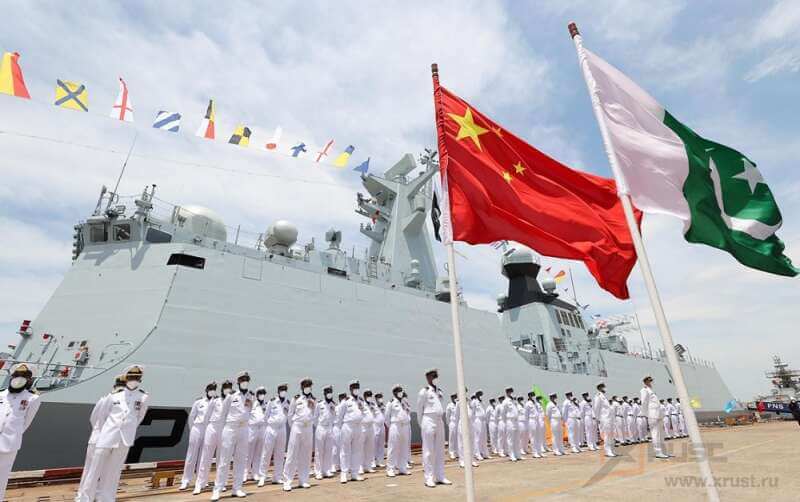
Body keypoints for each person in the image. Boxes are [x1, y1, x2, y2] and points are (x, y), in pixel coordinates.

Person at [81, 365, 148, 502]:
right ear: (126, 378)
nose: (134, 380)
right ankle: (85, 498)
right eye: (131, 377)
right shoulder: (113, 396)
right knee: (94, 470)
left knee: (114, 471)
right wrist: (107, 431)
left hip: (125, 439)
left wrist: (128, 429)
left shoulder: (143, 397)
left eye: (136, 377)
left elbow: (139, 417)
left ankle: (106, 498)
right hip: (107, 437)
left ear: (140, 379)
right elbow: (102, 417)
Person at [76, 375, 124, 501]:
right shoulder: (105, 399)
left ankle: (96, 495)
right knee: (90, 470)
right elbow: (94, 418)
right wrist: (101, 433)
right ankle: (82, 495)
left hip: (108, 440)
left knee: (103, 470)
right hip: (98, 439)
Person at [0, 363, 41, 502]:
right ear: (12, 377)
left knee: (1, 477)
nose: (19, 378)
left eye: (24, 376)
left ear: (29, 379)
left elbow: (26, 423)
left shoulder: (32, 399)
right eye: (17, 375)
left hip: (9, 443)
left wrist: (13, 434)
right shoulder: (1, 394)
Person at [211, 371, 253, 500]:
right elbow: (223, 415)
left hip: (244, 429)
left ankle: (237, 488)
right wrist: (223, 431)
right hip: (230, 429)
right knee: (224, 460)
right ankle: (217, 489)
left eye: (247, 379)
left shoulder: (251, 396)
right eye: (243, 379)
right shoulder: (231, 395)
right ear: (238, 382)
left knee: (241, 460)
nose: (245, 382)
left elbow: (249, 412)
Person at [416, 368, 450, 488]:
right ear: (428, 378)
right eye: (433, 376)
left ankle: (440, 476)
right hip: (428, 420)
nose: (435, 378)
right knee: (428, 451)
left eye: (436, 376)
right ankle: (429, 478)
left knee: (440, 449)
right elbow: (419, 409)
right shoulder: (424, 392)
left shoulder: (439, 391)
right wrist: (422, 424)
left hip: (439, 420)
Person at [194, 380, 230, 494]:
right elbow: (207, 416)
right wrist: (206, 430)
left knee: (222, 458)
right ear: (222, 389)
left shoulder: (232, 401)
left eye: (229, 387)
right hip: (212, 427)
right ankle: (200, 483)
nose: (227, 389)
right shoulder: (215, 400)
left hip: (224, 429)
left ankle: (221, 483)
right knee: (206, 456)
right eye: (226, 387)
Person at [282, 377, 316, 492]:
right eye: (305, 385)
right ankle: (287, 481)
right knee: (292, 455)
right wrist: (295, 427)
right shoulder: (296, 399)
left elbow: (315, 415)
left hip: (308, 428)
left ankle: (303, 480)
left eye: (309, 385)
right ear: (302, 387)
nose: (308, 387)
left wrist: (309, 423)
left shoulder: (314, 400)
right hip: (297, 427)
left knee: (306, 455)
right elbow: (290, 415)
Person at [179, 382, 214, 490]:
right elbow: (191, 417)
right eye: (210, 389)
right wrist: (193, 430)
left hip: (208, 429)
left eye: (213, 389)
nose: (212, 391)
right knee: (191, 456)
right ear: (206, 390)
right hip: (197, 428)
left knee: (204, 456)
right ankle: (186, 480)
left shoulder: (215, 402)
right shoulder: (199, 402)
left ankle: (202, 480)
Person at [257, 383, 289, 486]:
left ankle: (277, 477)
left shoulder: (287, 402)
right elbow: (265, 416)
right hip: (271, 428)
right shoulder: (272, 401)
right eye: (282, 390)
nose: (283, 391)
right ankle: (262, 476)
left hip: (282, 429)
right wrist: (270, 427)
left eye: (285, 390)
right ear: (278, 391)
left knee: (280, 454)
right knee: (266, 453)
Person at [338, 380, 365, 483]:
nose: (356, 389)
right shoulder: (346, 401)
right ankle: (344, 474)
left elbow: (362, 413)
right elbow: (340, 416)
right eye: (354, 387)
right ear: (350, 389)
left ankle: (355, 473)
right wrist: (341, 428)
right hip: (348, 427)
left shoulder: (361, 400)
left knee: (357, 451)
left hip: (358, 427)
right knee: (345, 451)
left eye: (357, 387)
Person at [385, 384, 411, 477]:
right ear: (394, 392)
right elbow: (386, 417)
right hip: (395, 426)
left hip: (405, 426)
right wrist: (392, 426)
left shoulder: (404, 402)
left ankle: (402, 467)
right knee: (393, 448)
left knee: (404, 447)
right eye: (398, 390)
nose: (401, 392)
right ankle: (390, 469)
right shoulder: (391, 402)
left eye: (401, 390)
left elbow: (408, 412)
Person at [640, 375, 669, 459]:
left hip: (658, 414)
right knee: (655, 433)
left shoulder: (651, 390)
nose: (652, 382)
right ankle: (658, 452)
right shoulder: (644, 390)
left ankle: (664, 451)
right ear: (646, 382)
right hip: (652, 414)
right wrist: (647, 414)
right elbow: (644, 403)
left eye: (652, 380)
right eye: (650, 381)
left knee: (661, 434)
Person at [244, 386, 267, 483]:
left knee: (258, 452)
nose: (262, 395)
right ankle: (245, 473)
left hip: (262, 429)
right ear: (257, 395)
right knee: (248, 452)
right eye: (260, 393)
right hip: (252, 429)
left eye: (263, 393)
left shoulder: (266, 404)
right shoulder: (252, 403)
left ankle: (255, 473)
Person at [314, 385, 336, 480]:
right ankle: (318, 471)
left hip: (329, 428)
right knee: (319, 451)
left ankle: (326, 470)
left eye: (330, 392)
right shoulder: (319, 404)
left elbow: (335, 416)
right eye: (327, 392)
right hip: (321, 428)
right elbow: (315, 418)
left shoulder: (333, 405)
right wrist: (319, 426)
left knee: (328, 450)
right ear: (324, 393)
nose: (329, 394)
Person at [592, 382, 616, 457]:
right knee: (607, 435)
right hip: (604, 418)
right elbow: (596, 408)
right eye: (603, 387)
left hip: (610, 418)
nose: (605, 388)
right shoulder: (598, 396)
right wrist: (599, 418)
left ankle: (612, 449)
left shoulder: (604, 396)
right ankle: (608, 451)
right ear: (599, 388)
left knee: (611, 434)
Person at [361, 389, 377, 474]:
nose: (369, 397)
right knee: (361, 447)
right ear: (364, 396)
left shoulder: (373, 404)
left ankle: (368, 466)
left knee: (369, 448)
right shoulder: (361, 404)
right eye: (367, 395)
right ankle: (360, 466)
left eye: (370, 395)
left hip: (371, 427)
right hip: (363, 427)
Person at [501, 387, 520, 461]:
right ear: (507, 393)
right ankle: (511, 455)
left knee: (516, 438)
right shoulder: (505, 402)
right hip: (510, 421)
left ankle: (517, 454)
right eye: (509, 392)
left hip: (516, 421)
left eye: (511, 392)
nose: (511, 393)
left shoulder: (513, 401)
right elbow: (503, 413)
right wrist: (506, 421)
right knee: (510, 439)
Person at [331, 392, 347, 473]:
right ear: (340, 398)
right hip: (337, 428)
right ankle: (334, 465)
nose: (344, 399)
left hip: (343, 428)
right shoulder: (337, 407)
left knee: (343, 447)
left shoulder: (344, 406)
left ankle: (341, 465)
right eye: (343, 397)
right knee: (335, 448)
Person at [471, 390, 489, 460]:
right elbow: (472, 413)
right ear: (476, 395)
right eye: (479, 394)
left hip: (483, 420)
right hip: (477, 420)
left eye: (481, 394)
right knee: (477, 438)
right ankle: (477, 454)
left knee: (483, 437)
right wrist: (473, 423)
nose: (480, 396)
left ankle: (484, 453)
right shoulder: (474, 402)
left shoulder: (481, 402)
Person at [373, 392, 387, 467]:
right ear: (376, 398)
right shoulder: (373, 406)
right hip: (375, 426)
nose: (380, 398)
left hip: (382, 426)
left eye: (381, 397)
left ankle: (379, 461)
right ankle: (372, 461)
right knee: (374, 444)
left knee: (381, 444)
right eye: (378, 397)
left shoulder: (383, 406)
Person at [525, 392, 538, 457]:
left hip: (536, 420)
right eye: (532, 396)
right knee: (533, 437)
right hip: (531, 420)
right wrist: (527, 423)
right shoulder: (527, 404)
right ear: (529, 396)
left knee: (537, 437)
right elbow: (526, 415)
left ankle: (539, 452)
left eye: (534, 396)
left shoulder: (534, 403)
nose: (533, 397)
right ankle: (534, 453)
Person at [445, 394, 458, 460]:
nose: (454, 398)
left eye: (455, 397)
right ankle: (451, 452)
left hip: (458, 423)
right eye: (453, 397)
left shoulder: (458, 404)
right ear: (451, 398)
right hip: (452, 422)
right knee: (452, 438)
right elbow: (447, 416)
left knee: (458, 438)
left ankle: (457, 452)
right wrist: (449, 423)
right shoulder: (449, 405)